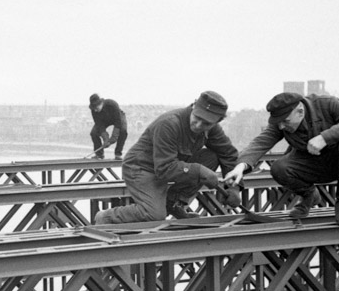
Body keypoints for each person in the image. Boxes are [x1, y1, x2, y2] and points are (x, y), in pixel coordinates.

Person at [224, 92, 339, 225]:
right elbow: (260, 143)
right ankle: (309, 195)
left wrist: (324, 138)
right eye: (278, 122)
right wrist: (240, 167)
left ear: (300, 112)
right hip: (314, 165)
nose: (281, 126)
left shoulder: (326, 104)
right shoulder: (281, 122)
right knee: (279, 168)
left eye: (286, 121)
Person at [93, 91, 239, 224]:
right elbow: (164, 169)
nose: (198, 125)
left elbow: (228, 154)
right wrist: (200, 171)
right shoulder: (169, 124)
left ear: (217, 122)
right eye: (197, 118)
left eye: (206, 123)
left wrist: (233, 187)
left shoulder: (212, 129)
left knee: (212, 157)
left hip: (169, 165)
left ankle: (175, 203)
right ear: (193, 108)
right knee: (153, 214)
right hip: (141, 168)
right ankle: (105, 217)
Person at [88, 93, 128, 160]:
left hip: (118, 117)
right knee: (94, 133)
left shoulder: (112, 104)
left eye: (96, 108)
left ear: (101, 103)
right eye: (93, 108)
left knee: (123, 131)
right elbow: (99, 126)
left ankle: (118, 154)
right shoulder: (94, 111)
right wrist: (106, 139)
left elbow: (118, 122)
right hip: (104, 120)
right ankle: (99, 155)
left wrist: (113, 139)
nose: (95, 110)